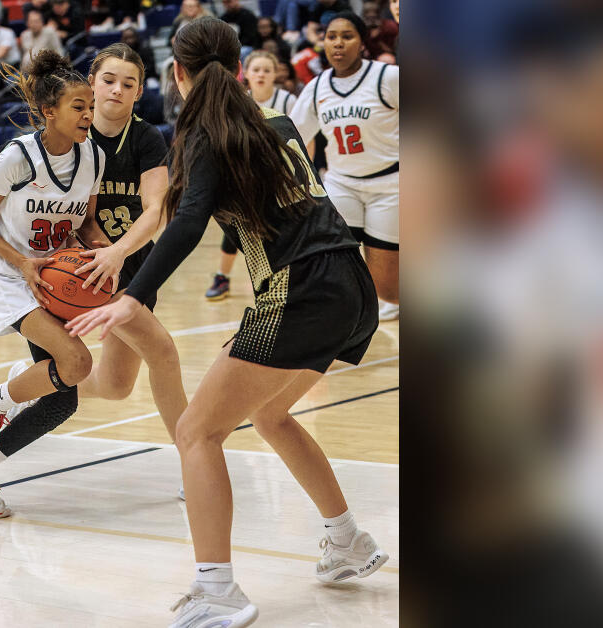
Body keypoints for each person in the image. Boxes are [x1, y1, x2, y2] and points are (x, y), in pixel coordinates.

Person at [66, 17, 388, 627]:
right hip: (350, 281)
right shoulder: (278, 123)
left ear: (178, 74)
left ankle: (218, 592)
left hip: (298, 291)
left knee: (195, 432)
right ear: (240, 69)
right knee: (269, 414)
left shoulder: (203, 136)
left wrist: (133, 294)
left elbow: (187, 222)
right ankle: (348, 541)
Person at [0, 51, 110, 518]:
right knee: (76, 361)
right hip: (14, 276)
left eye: (89, 106)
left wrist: (105, 254)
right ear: (49, 112)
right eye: (78, 106)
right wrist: (21, 263)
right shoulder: (17, 157)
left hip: (55, 276)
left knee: (62, 402)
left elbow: (88, 224)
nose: (88, 114)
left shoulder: (92, 157)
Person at [58, 43, 188, 450]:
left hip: (132, 261)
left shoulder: (147, 138)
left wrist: (120, 251)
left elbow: (156, 210)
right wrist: (102, 253)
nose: (117, 89)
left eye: (127, 83)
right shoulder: (71, 132)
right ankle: (193, 458)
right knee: (162, 352)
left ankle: (22, 389)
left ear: (138, 91)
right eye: (109, 80)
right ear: (92, 83)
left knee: (115, 386)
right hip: (87, 265)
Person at [290, 12, 399, 320]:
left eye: (347, 36)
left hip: (390, 185)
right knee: (333, 265)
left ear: (362, 42)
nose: (338, 43)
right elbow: (291, 137)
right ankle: (339, 323)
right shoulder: (316, 87)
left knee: (388, 290)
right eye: (331, 36)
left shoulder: (388, 77)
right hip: (342, 183)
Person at [204, 50, 296, 300]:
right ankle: (222, 276)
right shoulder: (239, 100)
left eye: (267, 70)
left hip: (283, 174)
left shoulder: (287, 100)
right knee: (237, 224)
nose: (261, 74)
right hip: (249, 174)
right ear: (246, 74)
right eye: (256, 70)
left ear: (275, 73)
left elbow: (301, 138)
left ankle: (286, 276)